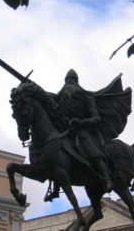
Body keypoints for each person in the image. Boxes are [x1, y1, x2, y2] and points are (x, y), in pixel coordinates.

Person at [44, 69, 113, 202]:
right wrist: (37, 90)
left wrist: (80, 122)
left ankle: (107, 179)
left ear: (75, 82)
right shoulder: (62, 96)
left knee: (93, 152)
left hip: (82, 130)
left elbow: (96, 118)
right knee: (54, 153)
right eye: (67, 81)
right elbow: (50, 97)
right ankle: (56, 189)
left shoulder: (86, 97)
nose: (68, 84)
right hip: (65, 131)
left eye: (70, 81)